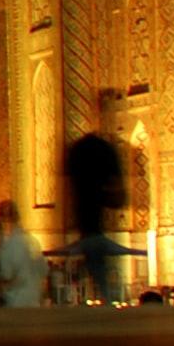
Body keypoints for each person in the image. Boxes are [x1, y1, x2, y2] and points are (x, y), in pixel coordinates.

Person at [62, 93, 128, 303]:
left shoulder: (83, 149)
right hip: (95, 228)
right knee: (98, 259)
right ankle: (106, 299)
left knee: (95, 260)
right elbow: (118, 192)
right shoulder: (103, 150)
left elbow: (68, 184)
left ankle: (101, 297)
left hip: (90, 227)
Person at [0, 201, 44, 307]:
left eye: (4, 218)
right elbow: (42, 270)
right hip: (29, 302)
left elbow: (7, 276)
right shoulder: (31, 241)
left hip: (16, 302)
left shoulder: (11, 246)